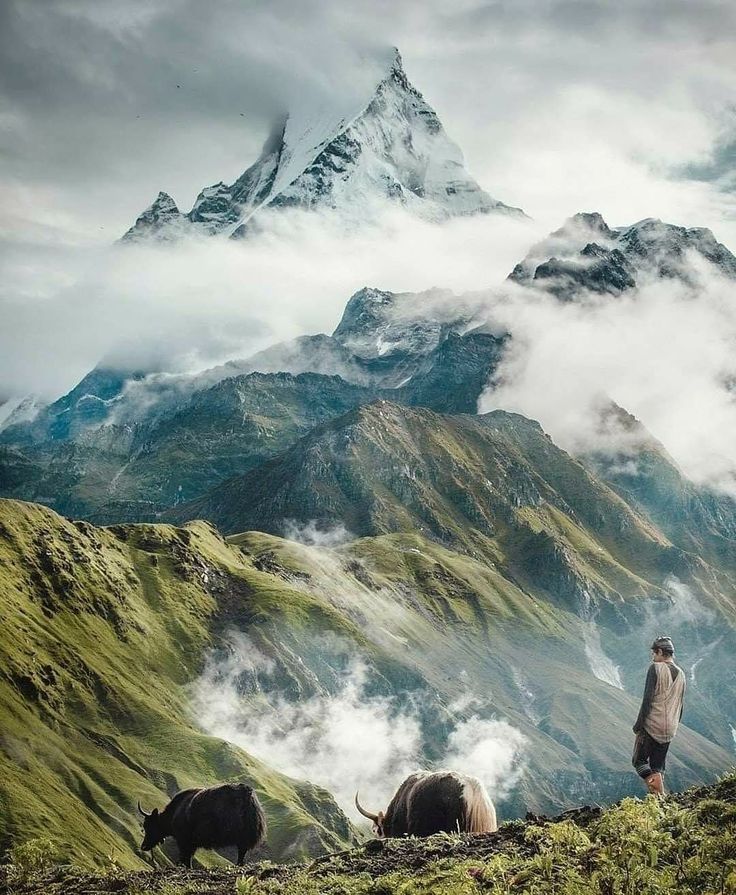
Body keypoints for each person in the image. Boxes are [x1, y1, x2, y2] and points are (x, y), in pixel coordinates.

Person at [632, 635, 686, 796]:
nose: (653, 657)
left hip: (652, 724)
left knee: (639, 761)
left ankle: (658, 795)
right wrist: (674, 724)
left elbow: (647, 700)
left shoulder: (655, 668)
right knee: (657, 766)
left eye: (654, 653)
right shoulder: (682, 674)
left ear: (661, 652)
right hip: (670, 727)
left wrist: (639, 725)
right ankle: (659, 801)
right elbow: (680, 704)